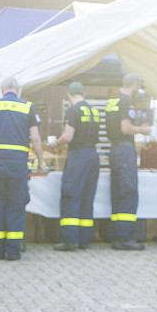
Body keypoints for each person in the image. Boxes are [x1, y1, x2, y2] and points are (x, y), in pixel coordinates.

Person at [0, 76, 44, 260]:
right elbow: (36, 138)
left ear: (1, 89)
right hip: (17, 164)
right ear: (18, 90)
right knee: (15, 204)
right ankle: (13, 251)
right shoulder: (26, 107)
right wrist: (41, 161)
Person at [105, 72, 151, 250]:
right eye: (138, 86)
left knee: (117, 193)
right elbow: (125, 128)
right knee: (128, 191)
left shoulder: (112, 101)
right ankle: (124, 237)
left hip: (114, 149)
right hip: (125, 150)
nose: (139, 89)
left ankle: (116, 234)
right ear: (134, 84)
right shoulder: (126, 101)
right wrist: (142, 130)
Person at [53, 82, 101, 251]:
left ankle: (70, 240)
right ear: (84, 94)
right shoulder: (94, 111)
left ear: (68, 95)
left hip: (78, 156)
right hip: (93, 157)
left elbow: (68, 136)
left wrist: (55, 143)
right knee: (87, 198)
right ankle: (84, 239)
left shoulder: (72, 110)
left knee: (70, 195)